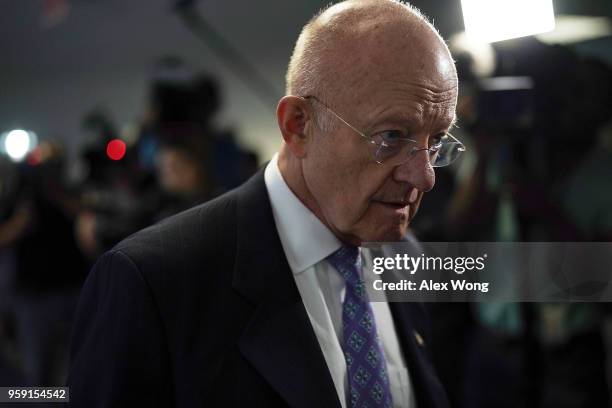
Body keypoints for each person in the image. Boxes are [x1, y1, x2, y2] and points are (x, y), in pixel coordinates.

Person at [67, 0, 460, 407]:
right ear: (298, 125)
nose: (425, 176)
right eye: (392, 137)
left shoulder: (408, 257)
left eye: (436, 142)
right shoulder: (154, 284)